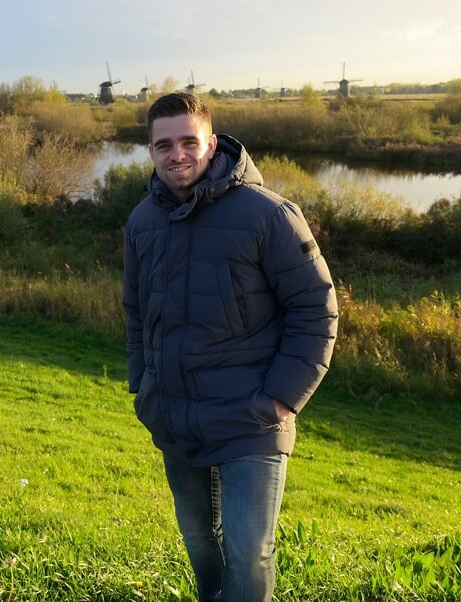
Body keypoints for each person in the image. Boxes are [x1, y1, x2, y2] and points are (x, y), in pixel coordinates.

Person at [122, 93, 337, 601]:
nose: (177, 155)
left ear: (212, 143)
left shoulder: (269, 215)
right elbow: (135, 311)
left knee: (249, 550)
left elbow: (316, 309)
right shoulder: (142, 223)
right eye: (164, 144)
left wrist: (281, 398)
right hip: (174, 413)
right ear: (150, 151)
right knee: (199, 540)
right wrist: (143, 385)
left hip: (252, 419)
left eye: (188, 142)